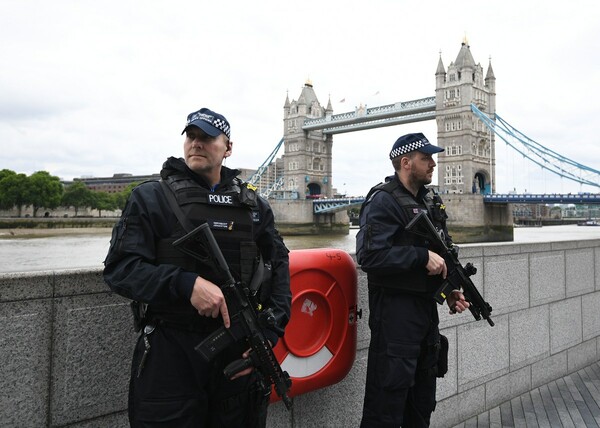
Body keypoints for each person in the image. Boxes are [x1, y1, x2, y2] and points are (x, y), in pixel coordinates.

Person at [103, 107, 292, 427]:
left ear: (228, 148)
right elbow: (120, 270)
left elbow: (280, 266)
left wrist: (270, 332)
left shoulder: (255, 206)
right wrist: (185, 284)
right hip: (171, 354)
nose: (196, 143)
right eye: (191, 136)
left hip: (237, 355)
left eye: (207, 137)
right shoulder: (151, 198)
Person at [356, 132, 470, 427]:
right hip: (395, 321)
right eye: (426, 158)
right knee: (386, 408)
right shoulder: (383, 201)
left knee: (421, 405)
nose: (433, 163)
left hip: (426, 319)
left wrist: (449, 292)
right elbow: (369, 257)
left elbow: (442, 255)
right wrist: (420, 257)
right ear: (406, 163)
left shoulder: (432, 201)